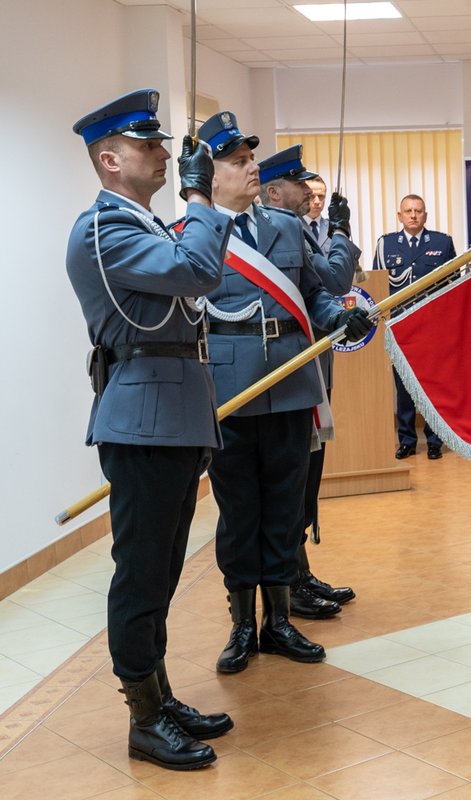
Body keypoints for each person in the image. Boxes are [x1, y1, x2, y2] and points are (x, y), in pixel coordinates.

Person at [67, 89, 234, 770]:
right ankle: (142, 717)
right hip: (142, 422)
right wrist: (200, 201)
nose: (165, 153)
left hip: (172, 415)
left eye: (162, 144)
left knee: (163, 570)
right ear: (110, 159)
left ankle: (159, 695)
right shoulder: (103, 229)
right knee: (140, 574)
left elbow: (203, 285)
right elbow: (197, 271)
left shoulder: (143, 225)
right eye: (148, 144)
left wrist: (193, 210)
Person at [196, 112, 372, 674]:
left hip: (294, 385)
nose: (251, 169)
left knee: (285, 508)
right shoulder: (191, 236)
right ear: (211, 175)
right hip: (231, 393)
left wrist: (340, 320)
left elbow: (318, 296)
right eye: (239, 162)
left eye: (252, 160)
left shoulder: (286, 226)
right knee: (239, 512)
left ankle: (278, 621)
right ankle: (242, 624)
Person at [257, 145, 362, 620]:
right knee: (293, 482)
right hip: (294, 373)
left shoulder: (295, 230)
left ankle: (299, 569)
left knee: (306, 477)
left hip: (311, 371)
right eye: (301, 184)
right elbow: (337, 280)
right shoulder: (280, 235)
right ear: (275, 192)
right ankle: (290, 581)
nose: (309, 192)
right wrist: (341, 232)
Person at [374, 193, 456, 459]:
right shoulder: (386, 245)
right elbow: (377, 287)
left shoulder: (442, 243)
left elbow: (452, 287)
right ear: (400, 216)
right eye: (408, 211)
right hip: (400, 327)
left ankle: (434, 440)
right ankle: (407, 440)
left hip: (433, 327)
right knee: (404, 386)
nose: (413, 215)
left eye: (418, 211)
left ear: (425, 215)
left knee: (432, 385)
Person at [304, 176, 331, 251]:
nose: (317, 201)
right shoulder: (294, 227)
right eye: (312, 196)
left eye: (321, 196)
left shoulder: (333, 228)